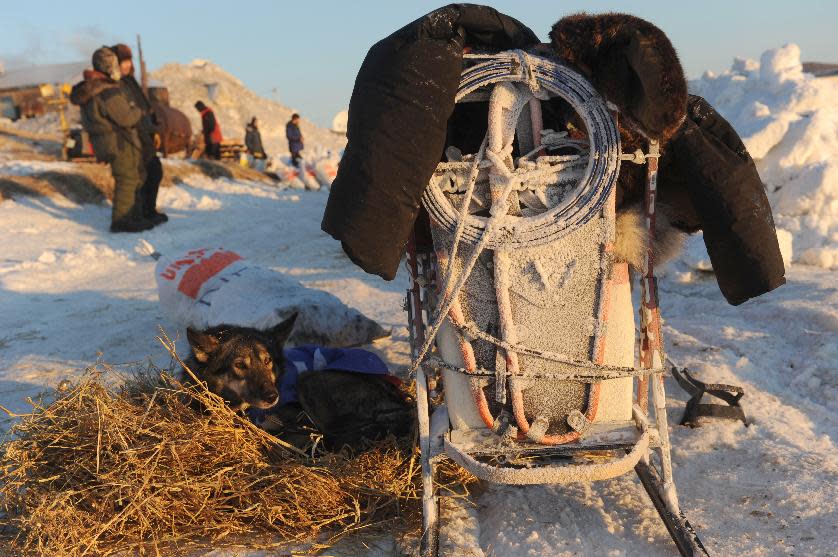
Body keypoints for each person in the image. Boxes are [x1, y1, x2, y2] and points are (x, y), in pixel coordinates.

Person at [70, 47, 149, 233]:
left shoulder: (91, 89)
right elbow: (126, 118)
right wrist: (138, 110)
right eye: (113, 63)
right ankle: (122, 221)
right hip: (120, 142)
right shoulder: (107, 90)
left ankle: (134, 217)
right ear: (108, 66)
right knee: (128, 179)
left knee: (132, 178)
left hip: (108, 142)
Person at [110, 43, 167, 225]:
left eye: (128, 61)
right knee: (144, 174)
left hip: (145, 133)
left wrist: (154, 130)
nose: (126, 65)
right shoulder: (117, 84)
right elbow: (130, 113)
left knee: (154, 172)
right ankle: (141, 213)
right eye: (122, 61)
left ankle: (148, 211)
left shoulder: (130, 81)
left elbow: (145, 108)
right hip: (134, 135)